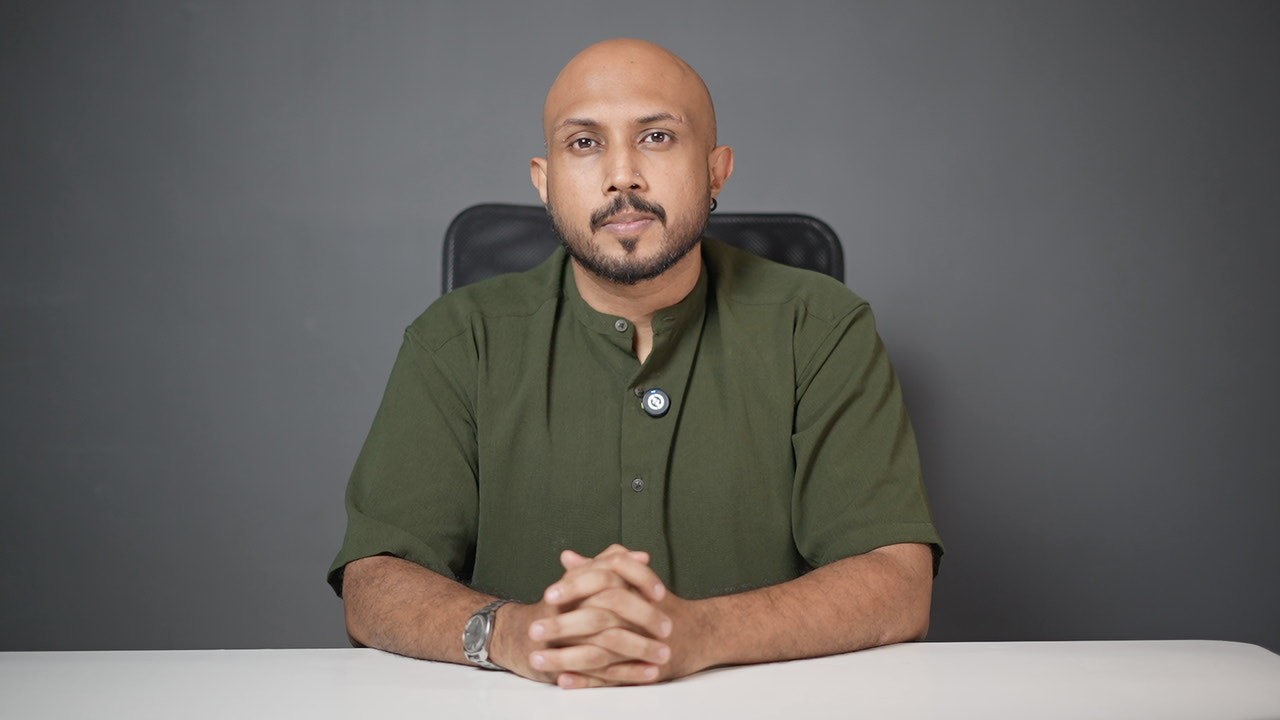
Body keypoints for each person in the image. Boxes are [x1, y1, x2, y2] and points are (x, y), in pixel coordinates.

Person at [328, 38, 943, 690]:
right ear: (545, 181)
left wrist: (700, 634)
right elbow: (375, 580)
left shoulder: (821, 327)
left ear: (716, 170)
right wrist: (514, 635)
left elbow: (897, 580)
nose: (622, 175)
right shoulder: (457, 339)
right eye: (585, 143)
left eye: (655, 137)